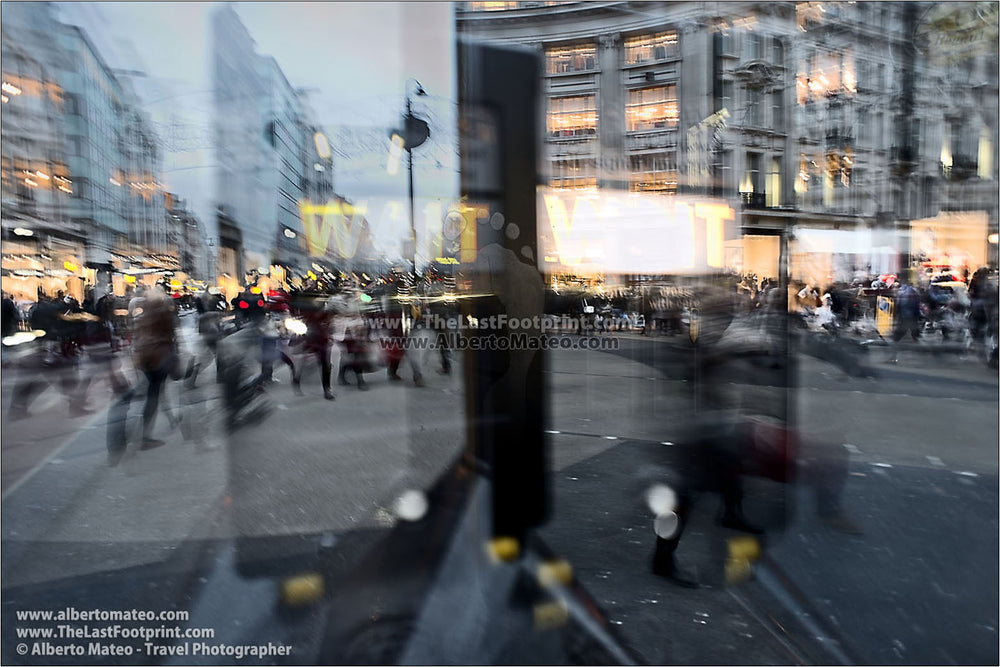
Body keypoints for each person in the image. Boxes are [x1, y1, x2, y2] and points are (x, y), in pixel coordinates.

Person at [131, 287, 179, 449]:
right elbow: (172, 336)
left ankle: (171, 419)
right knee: (154, 395)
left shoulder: (142, 314)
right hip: (159, 358)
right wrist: (175, 356)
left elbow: (137, 338)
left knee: (157, 392)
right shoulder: (163, 314)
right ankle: (144, 437)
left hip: (146, 359)